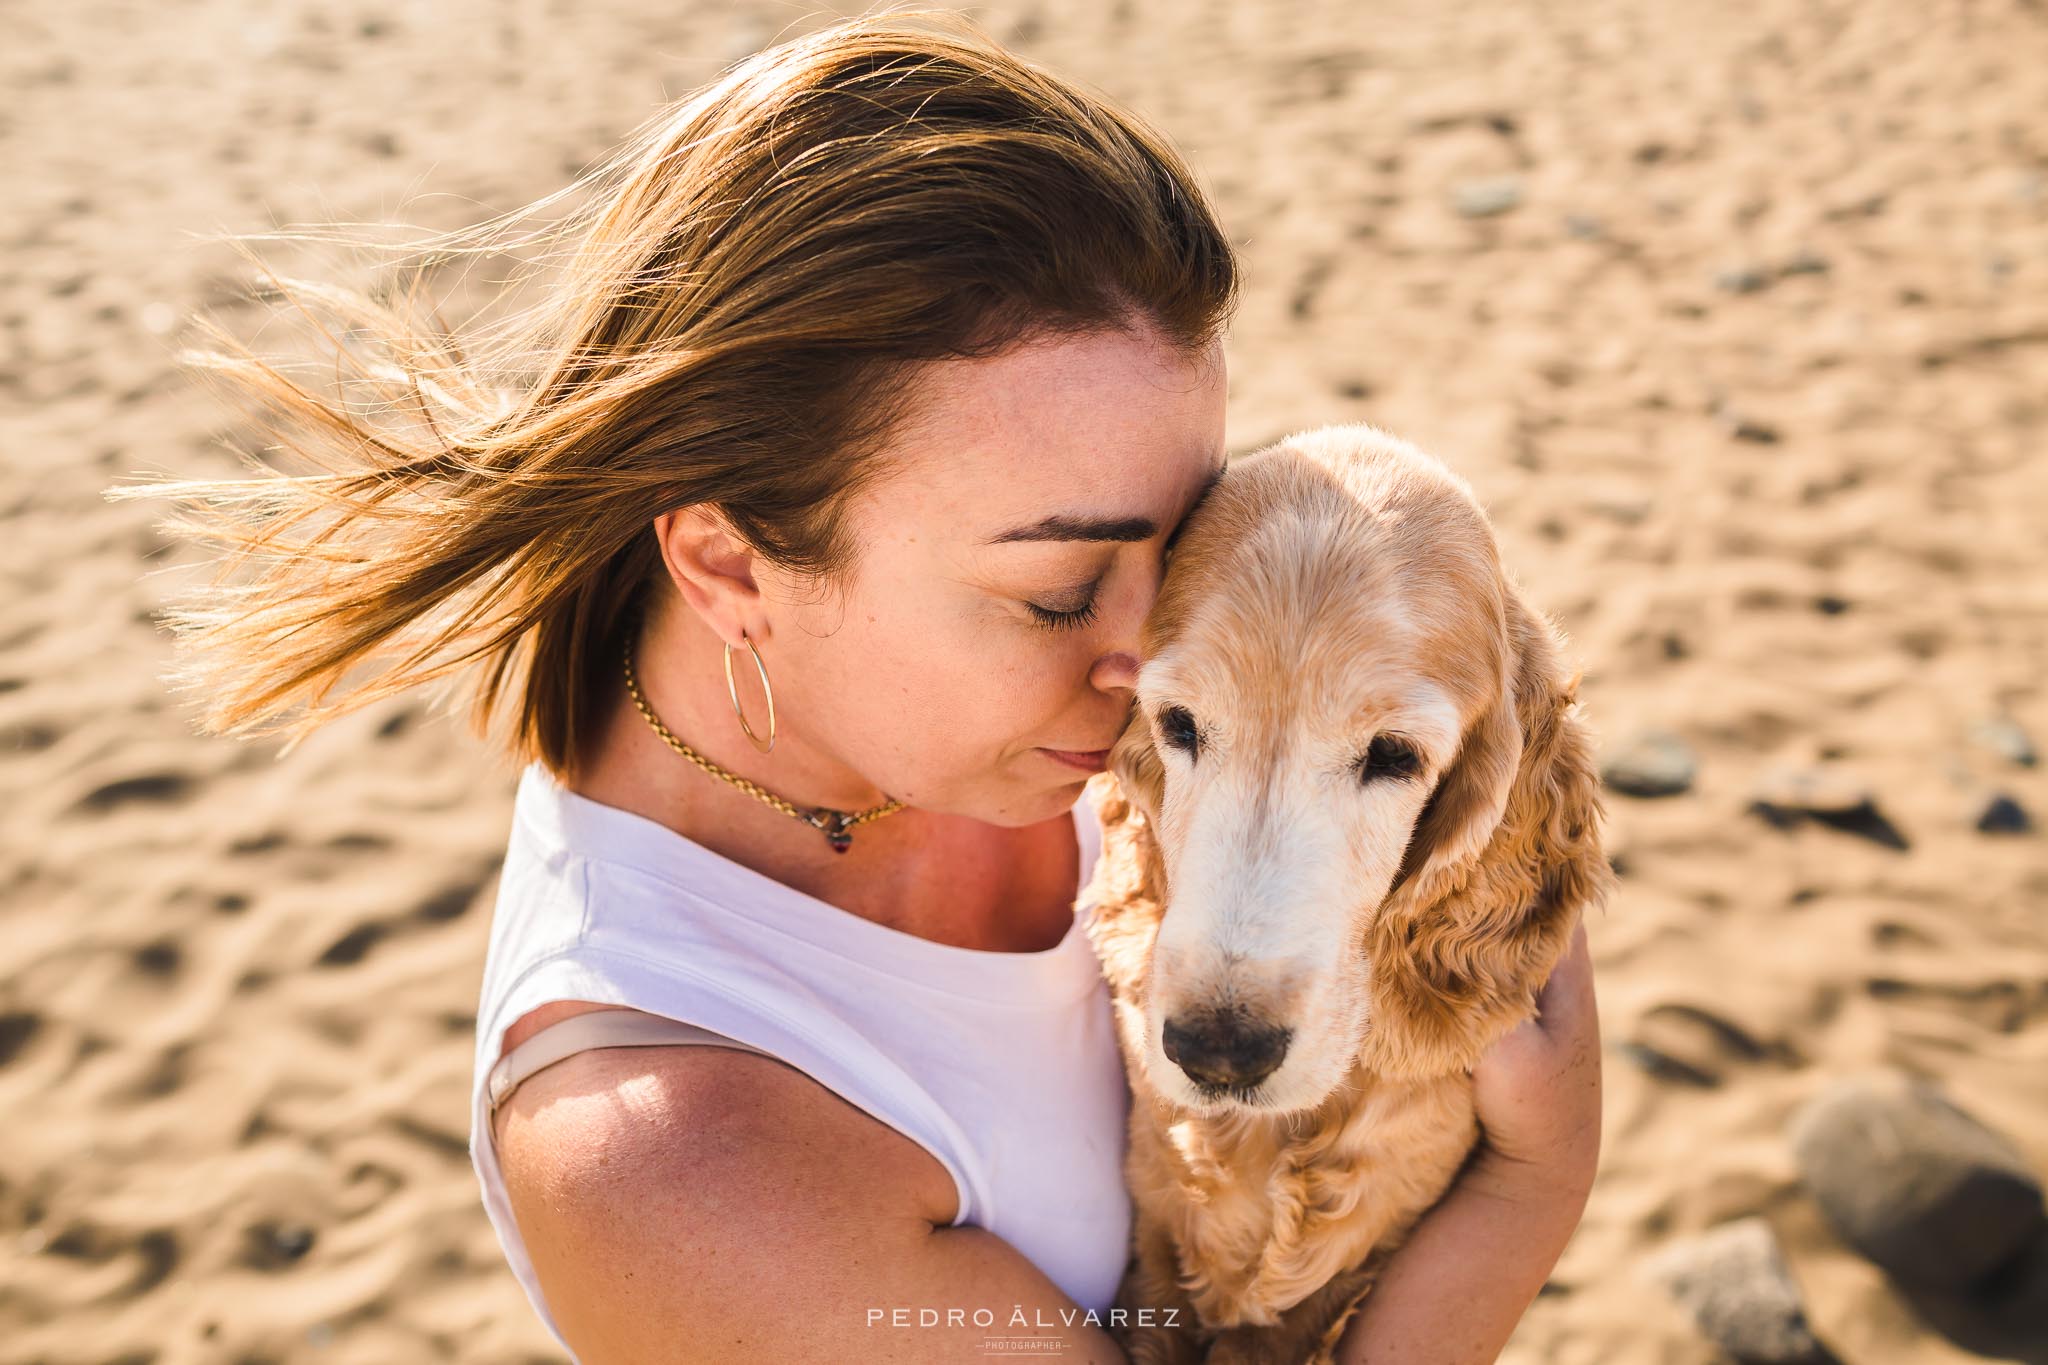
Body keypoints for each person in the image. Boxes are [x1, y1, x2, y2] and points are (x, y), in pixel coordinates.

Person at [115, 14, 1599, 1362]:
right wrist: (1534, 1187)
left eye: (1175, 546)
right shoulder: (675, 1154)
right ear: (731, 564)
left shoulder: (986, 707)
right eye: (1055, 590)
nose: (1144, 670)